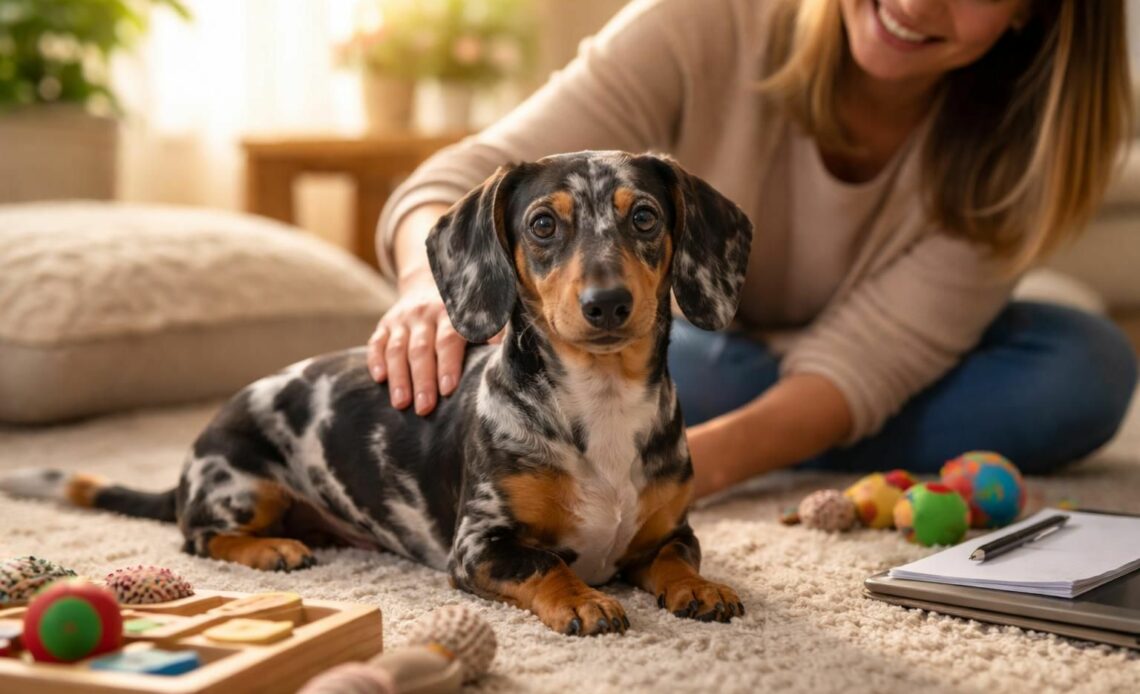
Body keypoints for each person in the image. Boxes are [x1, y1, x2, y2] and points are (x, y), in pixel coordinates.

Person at [365, 0, 1136, 499]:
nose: (915, 3)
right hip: (702, 340)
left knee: (1084, 367)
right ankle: (790, 426)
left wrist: (670, 477)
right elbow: (461, 177)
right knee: (667, 356)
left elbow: (866, 363)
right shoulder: (701, 19)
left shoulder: (1030, 148)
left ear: (1034, 11)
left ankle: (731, 427)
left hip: (829, 368)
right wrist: (423, 288)